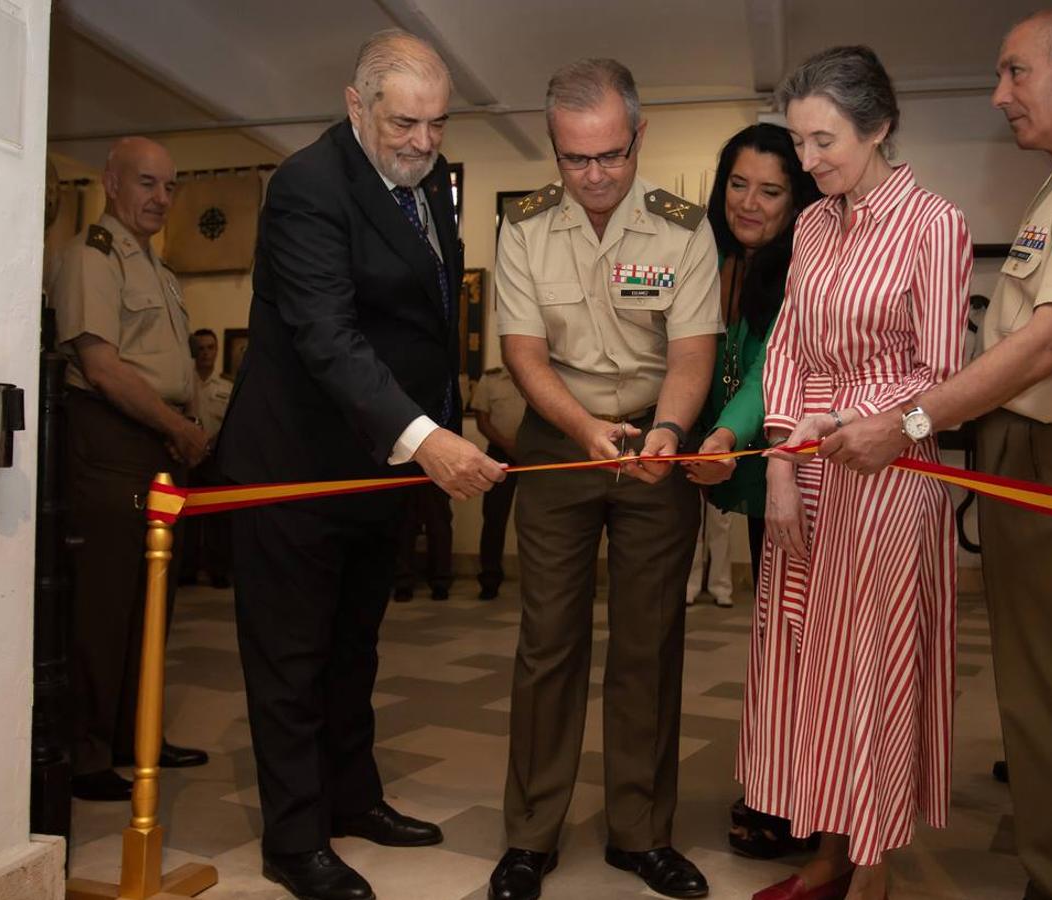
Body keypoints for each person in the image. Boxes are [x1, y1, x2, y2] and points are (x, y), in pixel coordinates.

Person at [819, 6, 1052, 898]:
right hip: (1033, 449)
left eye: (1015, 73)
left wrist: (909, 421)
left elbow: (1049, 344)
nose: (999, 96)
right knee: (1041, 689)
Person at [214, 30, 505, 900]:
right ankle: (293, 839)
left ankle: (353, 797)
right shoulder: (307, 186)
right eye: (405, 122)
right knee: (291, 660)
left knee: (354, 650)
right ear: (356, 106)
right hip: (296, 471)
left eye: (438, 124)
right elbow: (327, 340)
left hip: (376, 468)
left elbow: (425, 325)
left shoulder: (431, 185)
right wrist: (429, 439)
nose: (423, 141)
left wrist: (437, 428)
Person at [738, 46, 972, 900]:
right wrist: (779, 469)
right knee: (812, 672)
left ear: (878, 126)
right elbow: (790, 348)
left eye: (822, 140)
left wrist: (871, 423)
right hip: (808, 462)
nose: (807, 161)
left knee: (869, 671)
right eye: (798, 142)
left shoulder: (933, 224)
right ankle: (829, 853)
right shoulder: (811, 223)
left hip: (888, 468)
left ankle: (870, 871)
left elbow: (943, 376)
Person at [490, 58, 721, 900]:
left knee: (647, 644)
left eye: (611, 156)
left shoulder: (685, 228)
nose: (593, 177)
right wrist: (585, 429)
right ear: (553, 148)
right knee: (547, 643)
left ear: (639, 136)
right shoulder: (522, 227)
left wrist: (664, 432)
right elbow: (522, 350)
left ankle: (640, 832)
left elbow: (693, 351)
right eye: (574, 158)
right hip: (559, 443)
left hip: (656, 443)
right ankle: (530, 835)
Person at [49, 137, 211, 804]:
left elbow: (174, 373)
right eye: (147, 184)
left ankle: (133, 735)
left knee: (153, 600)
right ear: (112, 183)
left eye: (169, 187)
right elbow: (102, 366)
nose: (160, 199)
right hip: (114, 440)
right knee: (105, 602)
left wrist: (189, 430)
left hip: (159, 446)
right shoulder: (93, 257)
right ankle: (86, 752)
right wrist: (178, 428)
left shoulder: (159, 269)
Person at [676, 122, 822, 857]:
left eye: (771, 190)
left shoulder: (805, 264)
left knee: (798, 643)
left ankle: (800, 804)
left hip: (791, 475)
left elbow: (769, 372)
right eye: (738, 184)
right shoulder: (708, 254)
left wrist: (728, 436)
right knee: (774, 642)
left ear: (797, 198)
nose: (750, 203)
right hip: (728, 460)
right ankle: (777, 789)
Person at [179, 328, 232, 589]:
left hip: (214, 458)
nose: (205, 353)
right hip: (186, 456)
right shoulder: (184, 384)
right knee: (186, 517)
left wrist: (210, 444)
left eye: (210, 348)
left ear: (217, 351)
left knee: (218, 518)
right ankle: (186, 570)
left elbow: (233, 424)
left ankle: (218, 571)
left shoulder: (226, 388)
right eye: (200, 348)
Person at [471, 366, 526, 600]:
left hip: (534, 454)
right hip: (499, 454)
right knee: (494, 517)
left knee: (538, 520)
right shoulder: (490, 378)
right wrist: (506, 444)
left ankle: (538, 580)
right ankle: (490, 579)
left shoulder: (536, 375)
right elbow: (482, 420)